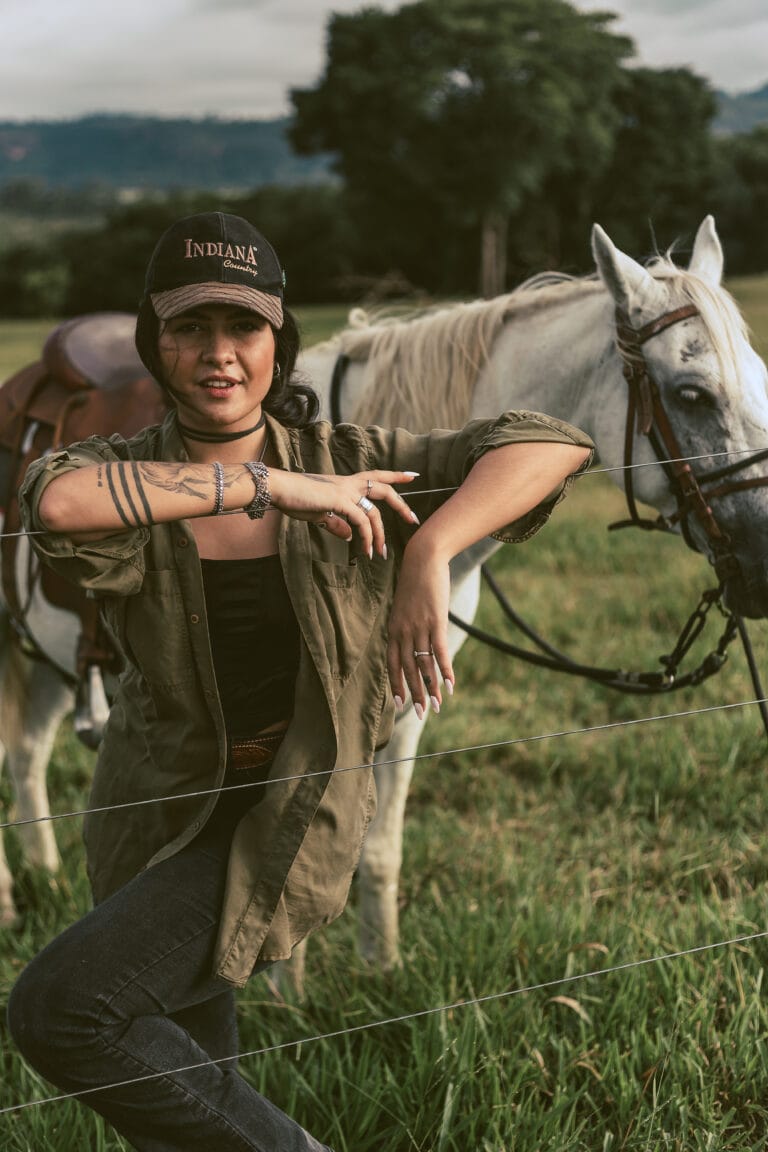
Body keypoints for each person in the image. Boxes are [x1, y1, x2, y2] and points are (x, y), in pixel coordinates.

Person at [7, 211, 593, 1151]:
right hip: (152, 815)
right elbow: (56, 499)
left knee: (62, 1011)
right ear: (156, 345)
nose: (219, 354)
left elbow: (551, 439)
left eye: (244, 327)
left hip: (284, 814)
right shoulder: (125, 470)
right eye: (190, 328)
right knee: (189, 1108)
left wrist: (430, 548)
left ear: (278, 342)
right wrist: (271, 487)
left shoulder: (354, 461)